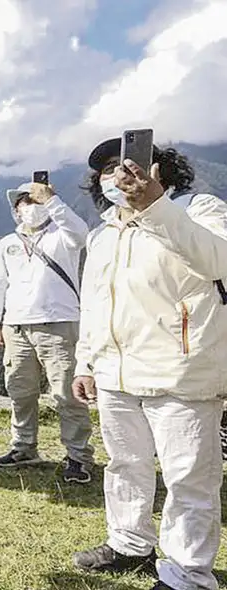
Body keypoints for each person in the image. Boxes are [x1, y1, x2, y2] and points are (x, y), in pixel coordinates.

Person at [71, 139, 227, 590]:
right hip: (117, 371)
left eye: (125, 164)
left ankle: (187, 574)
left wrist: (155, 206)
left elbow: (216, 259)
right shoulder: (104, 232)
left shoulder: (198, 208)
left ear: (159, 167)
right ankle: (129, 543)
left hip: (182, 368)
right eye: (105, 170)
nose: (116, 175)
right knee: (125, 462)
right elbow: (96, 304)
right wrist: (86, 362)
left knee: (188, 477)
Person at [0, 180, 95, 483]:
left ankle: (78, 456)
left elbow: (81, 233)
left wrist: (53, 200)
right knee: (20, 391)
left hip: (59, 324)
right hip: (16, 327)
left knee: (67, 394)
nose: (30, 207)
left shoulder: (62, 237)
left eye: (35, 201)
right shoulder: (7, 244)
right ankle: (23, 447)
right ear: (16, 210)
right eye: (24, 202)